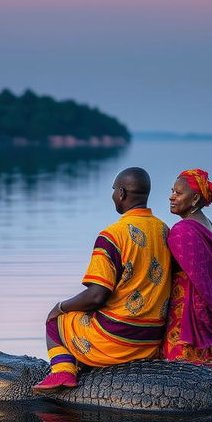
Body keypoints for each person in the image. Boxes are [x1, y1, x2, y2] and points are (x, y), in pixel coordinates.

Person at [34, 166, 171, 392]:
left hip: (117, 340)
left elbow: (96, 295)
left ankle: (62, 372)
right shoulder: (164, 231)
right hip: (150, 341)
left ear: (122, 193)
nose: (113, 195)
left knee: (57, 321)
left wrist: (60, 307)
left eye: (114, 190)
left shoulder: (113, 235)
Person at [161, 168, 212, 367]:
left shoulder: (183, 231)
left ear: (195, 199)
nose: (171, 197)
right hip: (205, 312)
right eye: (172, 191)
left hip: (185, 315)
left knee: (179, 374)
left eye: (178, 193)